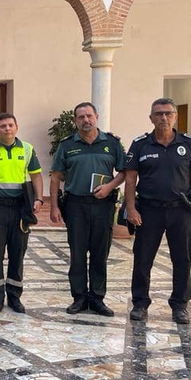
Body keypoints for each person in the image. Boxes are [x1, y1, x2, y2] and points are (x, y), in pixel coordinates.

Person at [125, 97, 191, 324]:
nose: (164, 118)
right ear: (151, 118)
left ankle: (179, 305)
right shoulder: (140, 144)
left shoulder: (189, 144)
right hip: (149, 211)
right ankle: (140, 303)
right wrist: (131, 208)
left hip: (180, 211)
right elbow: (130, 179)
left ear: (175, 116)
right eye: (159, 114)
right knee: (143, 259)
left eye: (168, 113)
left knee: (182, 259)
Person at [50, 102, 125, 317]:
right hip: (76, 205)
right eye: (81, 117)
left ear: (96, 117)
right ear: (75, 121)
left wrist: (109, 186)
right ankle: (79, 297)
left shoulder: (111, 143)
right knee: (78, 253)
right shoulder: (66, 145)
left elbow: (124, 172)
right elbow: (55, 178)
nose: (86, 120)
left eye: (89, 116)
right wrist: (54, 206)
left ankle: (97, 298)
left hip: (103, 205)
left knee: (100, 253)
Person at [0, 112, 43, 314]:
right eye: (3, 126)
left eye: (10, 125)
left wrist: (38, 199)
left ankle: (15, 297)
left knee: (17, 252)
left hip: (20, 208)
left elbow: (36, 176)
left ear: (16, 127)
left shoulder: (28, 149)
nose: (7, 129)